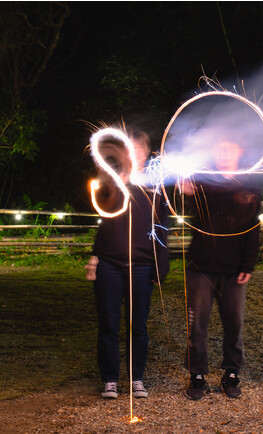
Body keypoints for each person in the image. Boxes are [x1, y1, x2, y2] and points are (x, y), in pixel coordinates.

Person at [85, 130, 169, 399]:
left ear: (147, 152)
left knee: (138, 326)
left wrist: (161, 266)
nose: (134, 153)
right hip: (109, 263)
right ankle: (110, 379)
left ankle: (137, 378)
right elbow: (104, 219)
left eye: (139, 148)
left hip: (142, 265)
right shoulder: (112, 180)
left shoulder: (156, 186)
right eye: (129, 149)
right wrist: (95, 256)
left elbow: (162, 229)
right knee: (108, 323)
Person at [182, 140, 261, 401]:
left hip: (233, 270)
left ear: (240, 150)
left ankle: (231, 374)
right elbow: (179, 200)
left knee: (234, 323)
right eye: (219, 146)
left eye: (230, 146)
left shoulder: (249, 185)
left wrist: (248, 264)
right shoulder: (201, 182)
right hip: (201, 267)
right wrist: (182, 191)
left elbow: (254, 228)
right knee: (197, 324)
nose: (224, 151)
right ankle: (197, 375)